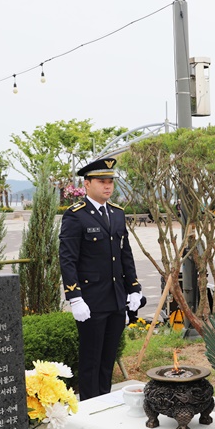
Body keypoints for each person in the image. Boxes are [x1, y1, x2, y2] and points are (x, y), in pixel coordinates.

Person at [59, 157, 142, 400]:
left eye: (110, 182)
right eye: (102, 181)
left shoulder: (117, 214)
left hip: (116, 300)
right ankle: (89, 410)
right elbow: (68, 259)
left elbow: (124, 254)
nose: (108, 186)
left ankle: (104, 401)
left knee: (108, 359)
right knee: (91, 360)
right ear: (86, 184)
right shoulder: (76, 215)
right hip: (91, 301)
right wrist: (74, 298)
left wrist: (134, 288)